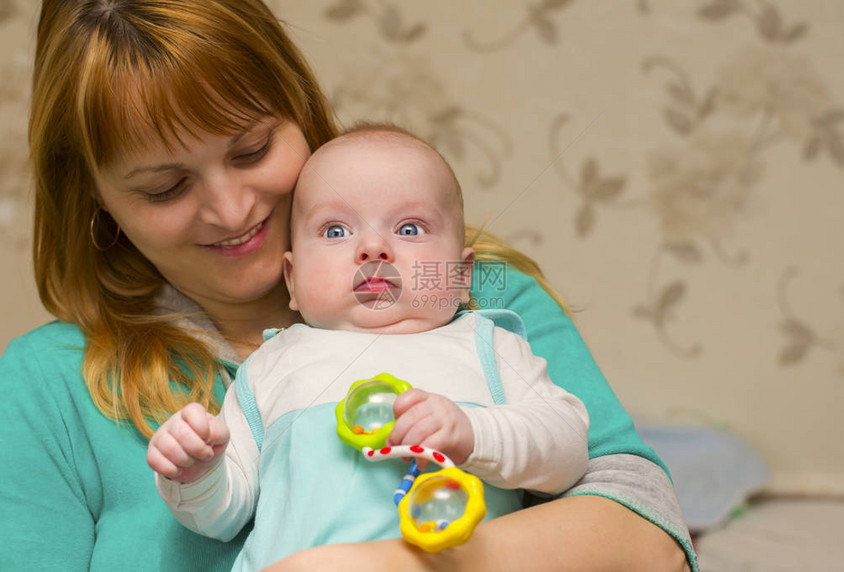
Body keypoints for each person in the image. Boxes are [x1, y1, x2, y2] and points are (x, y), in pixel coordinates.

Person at [0, 1, 696, 571]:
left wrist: (384, 564)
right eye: (167, 186)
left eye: (252, 149)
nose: (233, 209)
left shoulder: (476, 295)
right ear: (95, 199)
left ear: (301, 112)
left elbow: (649, 535)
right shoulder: (47, 386)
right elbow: (218, 502)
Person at [147, 126, 592, 571]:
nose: (373, 248)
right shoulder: (269, 367)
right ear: (292, 280)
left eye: (410, 227)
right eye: (336, 230)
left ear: (459, 276)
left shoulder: (489, 345)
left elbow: (568, 450)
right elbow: (222, 516)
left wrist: (475, 434)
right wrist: (194, 474)